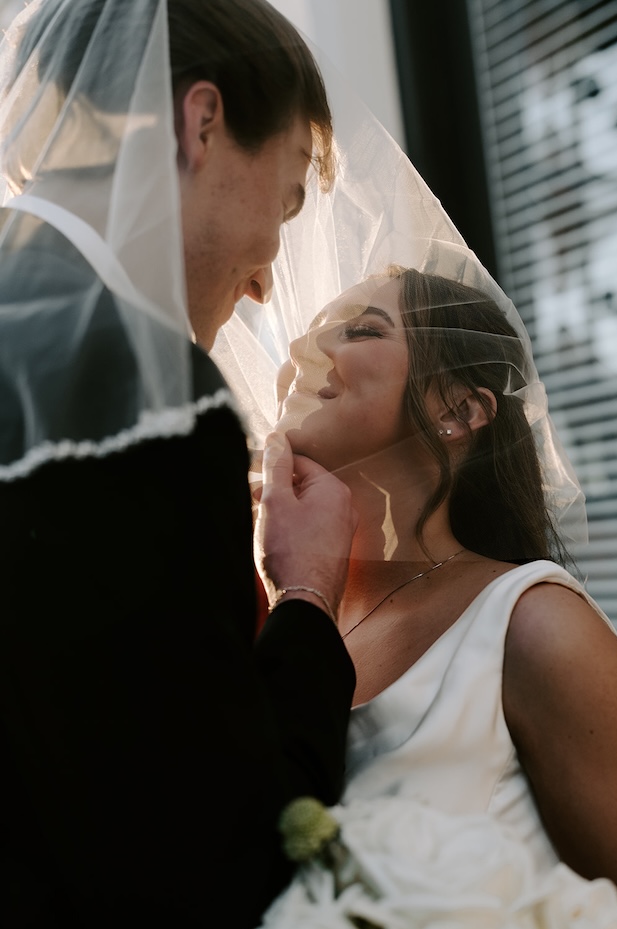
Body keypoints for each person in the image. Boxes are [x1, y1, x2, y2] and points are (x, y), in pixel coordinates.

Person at [212, 66, 617, 927]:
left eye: (364, 329)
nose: (309, 342)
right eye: (319, 325)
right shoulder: (281, 622)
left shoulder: (527, 624)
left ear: (459, 410)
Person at [0, 1, 357, 927]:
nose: (267, 278)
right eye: (284, 203)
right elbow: (216, 861)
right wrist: (311, 599)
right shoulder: (150, 402)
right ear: (201, 123)